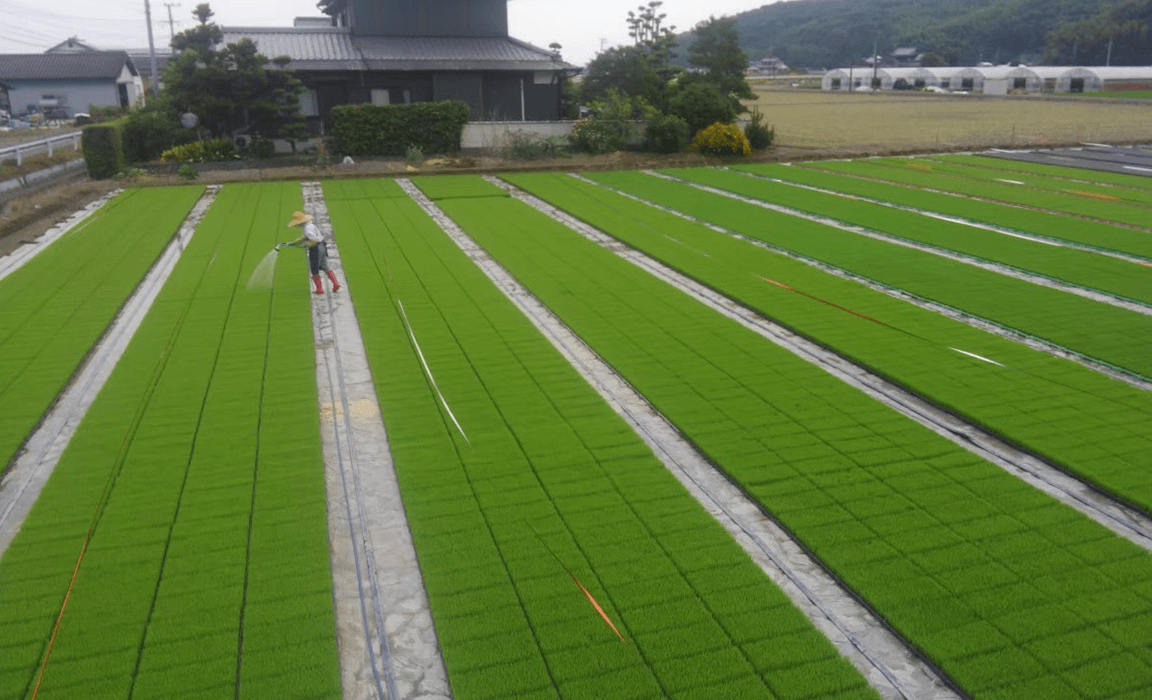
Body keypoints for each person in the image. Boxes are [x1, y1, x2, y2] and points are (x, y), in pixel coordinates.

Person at [280, 211, 340, 294]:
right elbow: (306, 237)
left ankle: (319, 289)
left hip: (316, 249)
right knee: (324, 265)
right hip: (322, 246)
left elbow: (313, 240)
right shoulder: (310, 225)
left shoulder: (307, 229)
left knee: (314, 268)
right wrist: (295, 242)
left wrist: (305, 245)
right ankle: (336, 284)